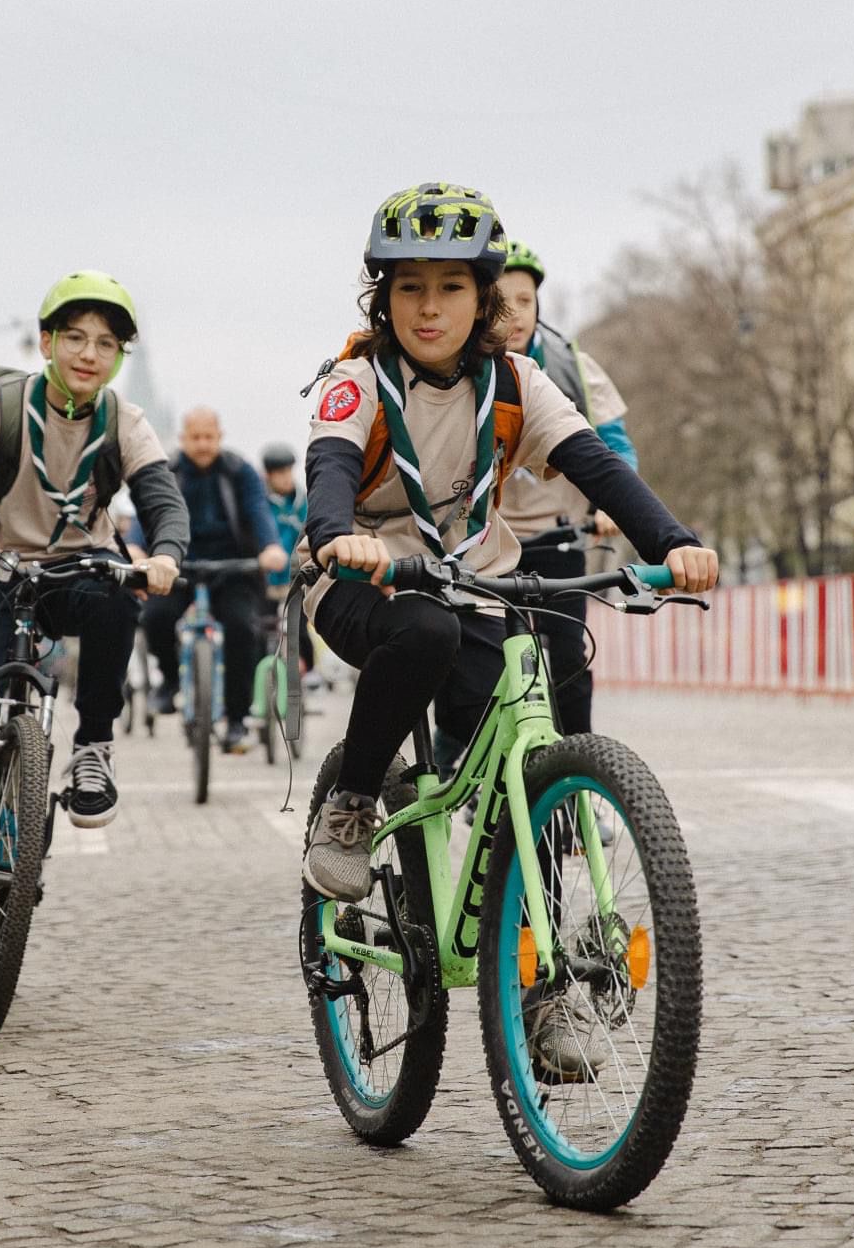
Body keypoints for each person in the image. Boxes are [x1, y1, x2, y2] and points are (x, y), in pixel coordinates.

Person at [297, 184, 716, 1072]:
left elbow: (596, 467)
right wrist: (341, 535)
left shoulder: (518, 382)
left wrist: (674, 543)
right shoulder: (355, 381)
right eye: (410, 288)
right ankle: (352, 803)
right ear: (384, 297)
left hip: (476, 584)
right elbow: (330, 470)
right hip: (361, 581)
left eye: (451, 287)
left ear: (484, 298)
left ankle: (545, 986)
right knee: (424, 637)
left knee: (532, 768)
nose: (428, 308)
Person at [0, 270, 189, 962]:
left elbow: (162, 498)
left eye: (107, 344)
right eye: (76, 338)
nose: (90, 354)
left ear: (118, 357)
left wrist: (166, 553)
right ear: (47, 341)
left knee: (122, 593)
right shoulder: (0, 401)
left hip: (77, 572)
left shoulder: (125, 420)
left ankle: (93, 747)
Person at [495, 239, 639, 736]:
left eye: (525, 302)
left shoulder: (574, 368)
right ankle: (456, 762)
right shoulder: (456, 372)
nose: (513, 315)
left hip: (560, 537)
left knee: (570, 657)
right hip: (486, 544)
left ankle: (577, 763)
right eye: (499, 300)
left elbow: (617, 448)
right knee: (475, 662)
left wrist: (611, 509)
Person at [137, 408, 286, 751]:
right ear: (183, 438)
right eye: (195, 437)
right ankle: (171, 680)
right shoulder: (168, 472)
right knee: (155, 617)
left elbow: (258, 511)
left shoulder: (240, 471)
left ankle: (236, 719)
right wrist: (135, 544)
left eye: (209, 436)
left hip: (233, 567)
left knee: (241, 629)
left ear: (220, 436)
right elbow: (149, 512)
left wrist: (270, 547)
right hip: (178, 565)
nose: (203, 444)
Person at [261, 443, 316, 677]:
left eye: (287, 471)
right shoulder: (261, 504)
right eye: (278, 473)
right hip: (266, 582)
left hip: (296, 580)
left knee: (300, 631)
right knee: (261, 631)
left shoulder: (303, 503)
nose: (284, 478)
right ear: (268, 475)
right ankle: (261, 686)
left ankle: (309, 672)